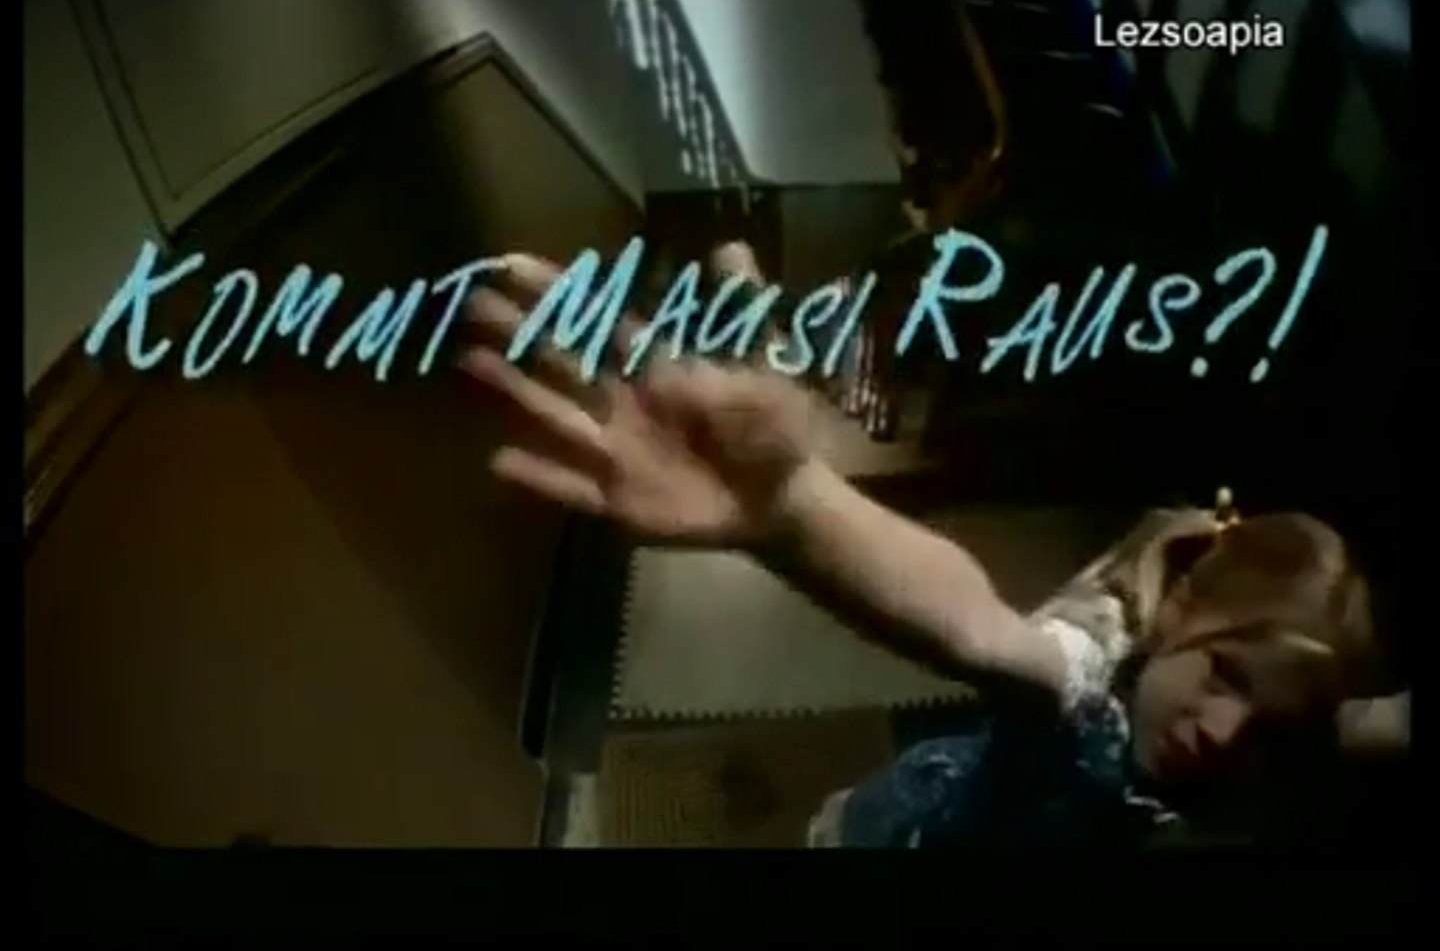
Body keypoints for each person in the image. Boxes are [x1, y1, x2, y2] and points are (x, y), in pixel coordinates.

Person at [457, 245, 1409, 848]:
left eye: (1273, 732)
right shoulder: (1086, 695)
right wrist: (795, 507)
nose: (1225, 733)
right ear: (1185, 610)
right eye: (1225, 676)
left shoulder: (1294, 744)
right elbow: (986, 635)